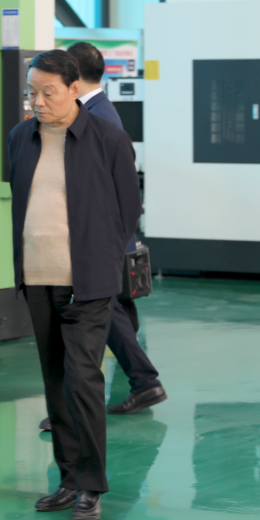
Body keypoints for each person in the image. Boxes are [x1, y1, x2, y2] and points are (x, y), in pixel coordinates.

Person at [8, 50, 142, 520]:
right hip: (37, 277)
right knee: (55, 380)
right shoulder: (21, 137)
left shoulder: (108, 138)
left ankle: (90, 486)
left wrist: (100, 262)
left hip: (87, 282)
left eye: (48, 92)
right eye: (32, 92)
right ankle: (67, 478)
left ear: (73, 89)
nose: (38, 101)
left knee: (83, 379)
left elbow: (128, 210)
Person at [66, 42, 166, 416]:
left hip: (100, 240)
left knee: (101, 315)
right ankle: (143, 382)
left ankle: (84, 402)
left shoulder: (99, 118)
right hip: (100, 239)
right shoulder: (94, 112)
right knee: (109, 314)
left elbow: (111, 186)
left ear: (73, 77)